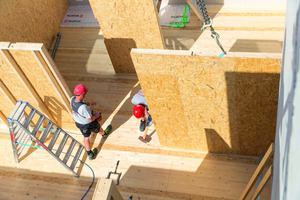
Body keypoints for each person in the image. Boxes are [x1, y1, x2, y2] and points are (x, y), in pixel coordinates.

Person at [70, 84, 112, 160]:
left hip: (79, 123)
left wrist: (89, 103)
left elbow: (79, 105)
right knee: (98, 128)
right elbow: (90, 119)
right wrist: (97, 115)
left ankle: (90, 154)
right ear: (82, 94)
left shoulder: (72, 99)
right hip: (88, 124)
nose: (85, 95)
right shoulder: (83, 108)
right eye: (85, 93)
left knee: (86, 137)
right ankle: (104, 134)